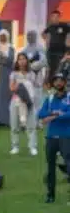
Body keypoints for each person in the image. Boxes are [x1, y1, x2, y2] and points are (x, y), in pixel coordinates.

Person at [37, 72, 70, 203]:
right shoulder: (50, 98)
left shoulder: (69, 97)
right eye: (56, 81)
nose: (58, 83)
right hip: (51, 137)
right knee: (50, 167)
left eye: (60, 80)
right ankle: (50, 195)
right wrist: (55, 113)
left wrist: (54, 117)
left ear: (64, 82)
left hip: (66, 136)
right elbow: (41, 113)